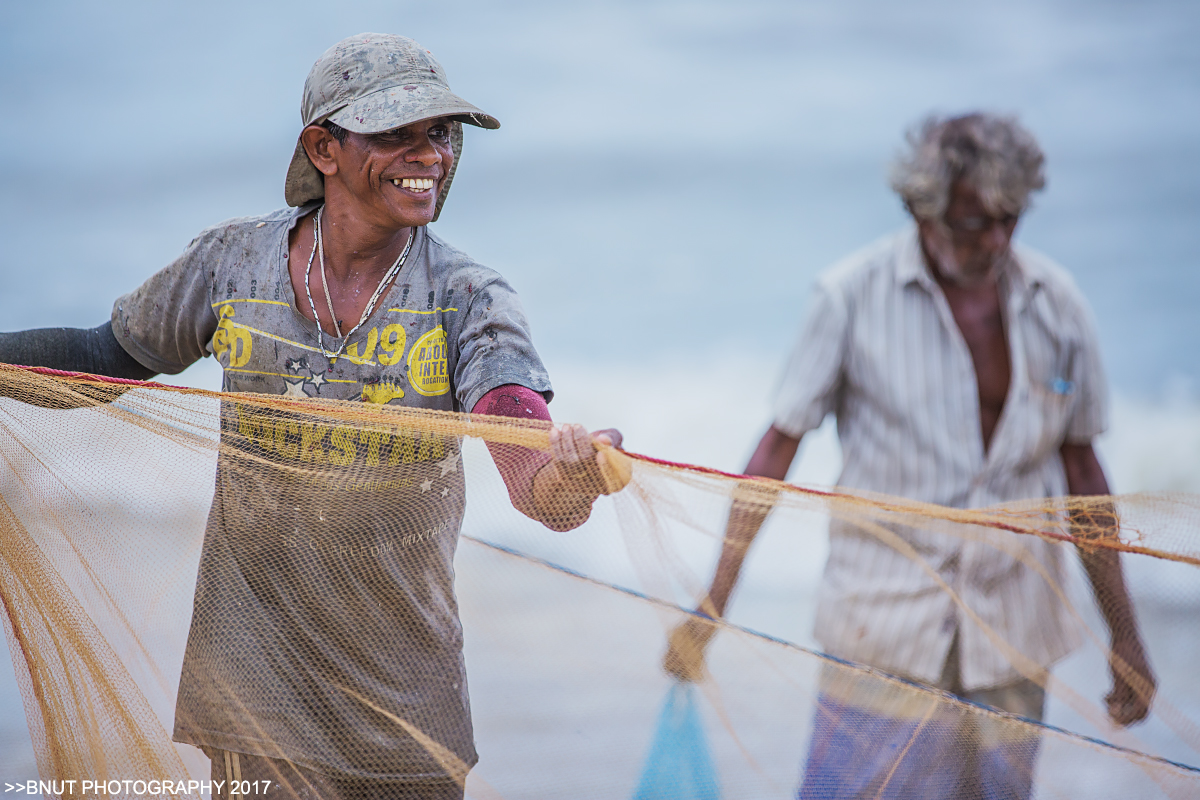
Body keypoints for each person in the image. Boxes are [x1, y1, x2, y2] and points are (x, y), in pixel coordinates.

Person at [0, 33, 626, 800]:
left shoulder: (467, 299)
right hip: (251, 690)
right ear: (323, 147)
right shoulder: (232, 265)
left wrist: (573, 472)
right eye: (396, 133)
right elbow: (105, 359)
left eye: (441, 132)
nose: (429, 154)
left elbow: (531, 467)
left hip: (403, 706)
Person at [663, 113, 1156, 798]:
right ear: (920, 212)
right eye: (969, 223)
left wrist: (1126, 640)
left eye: (1008, 219)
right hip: (882, 633)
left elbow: (1084, 477)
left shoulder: (1059, 306)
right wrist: (712, 601)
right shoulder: (850, 298)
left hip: (1013, 636)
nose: (994, 241)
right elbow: (779, 446)